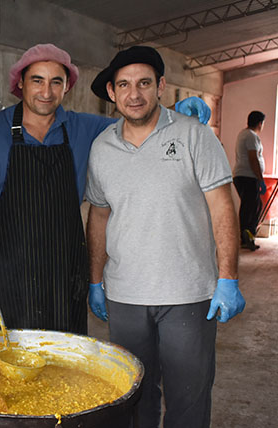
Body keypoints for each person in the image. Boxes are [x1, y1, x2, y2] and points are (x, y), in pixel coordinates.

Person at [0, 43, 212, 335]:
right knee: (5, 368)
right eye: (37, 80)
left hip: (65, 277)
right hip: (7, 277)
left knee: (67, 367)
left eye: (56, 81)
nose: (46, 92)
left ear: (67, 86)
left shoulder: (86, 128)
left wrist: (172, 112)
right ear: (20, 83)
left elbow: (135, 120)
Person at [85, 46, 244, 428]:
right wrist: (95, 280)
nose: (134, 93)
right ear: (111, 92)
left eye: (143, 83)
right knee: (133, 397)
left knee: (188, 399)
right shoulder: (101, 147)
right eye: (123, 84)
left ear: (161, 86)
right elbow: (99, 216)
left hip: (188, 294)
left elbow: (223, 207)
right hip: (125, 296)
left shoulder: (194, 136)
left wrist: (228, 278)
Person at [233, 111, 266, 251]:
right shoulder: (251, 136)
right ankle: (246, 237)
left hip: (243, 176)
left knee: (253, 206)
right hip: (248, 176)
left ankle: (246, 236)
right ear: (260, 123)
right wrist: (260, 179)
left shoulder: (244, 134)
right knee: (250, 208)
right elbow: (253, 158)